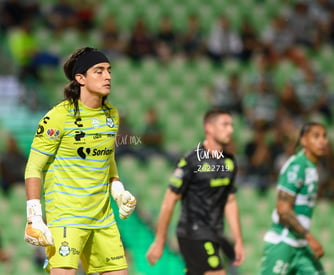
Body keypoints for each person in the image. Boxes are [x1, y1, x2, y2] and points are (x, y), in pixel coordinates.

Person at [23, 47, 137, 275]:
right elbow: (33, 167)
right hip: (67, 217)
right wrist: (34, 216)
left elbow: (107, 157)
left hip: (102, 218)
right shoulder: (57, 117)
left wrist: (118, 189)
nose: (108, 76)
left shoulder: (111, 115)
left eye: (108, 70)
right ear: (80, 78)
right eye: (99, 71)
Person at [146, 109, 245, 275]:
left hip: (214, 232)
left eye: (232, 125)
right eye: (225, 125)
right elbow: (170, 200)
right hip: (192, 232)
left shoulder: (230, 162)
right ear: (209, 128)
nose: (231, 130)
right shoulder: (191, 161)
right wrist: (160, 239)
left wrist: (238, 239)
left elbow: (230, 200)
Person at [259, 122, 327, 274]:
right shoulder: (297, 166)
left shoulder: (312, 168)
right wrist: (310, 238)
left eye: (324, 136)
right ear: (303, 140)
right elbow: (283, 210)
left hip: (300, 246)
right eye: (316, 136)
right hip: (284, 243)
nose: (322, 141)